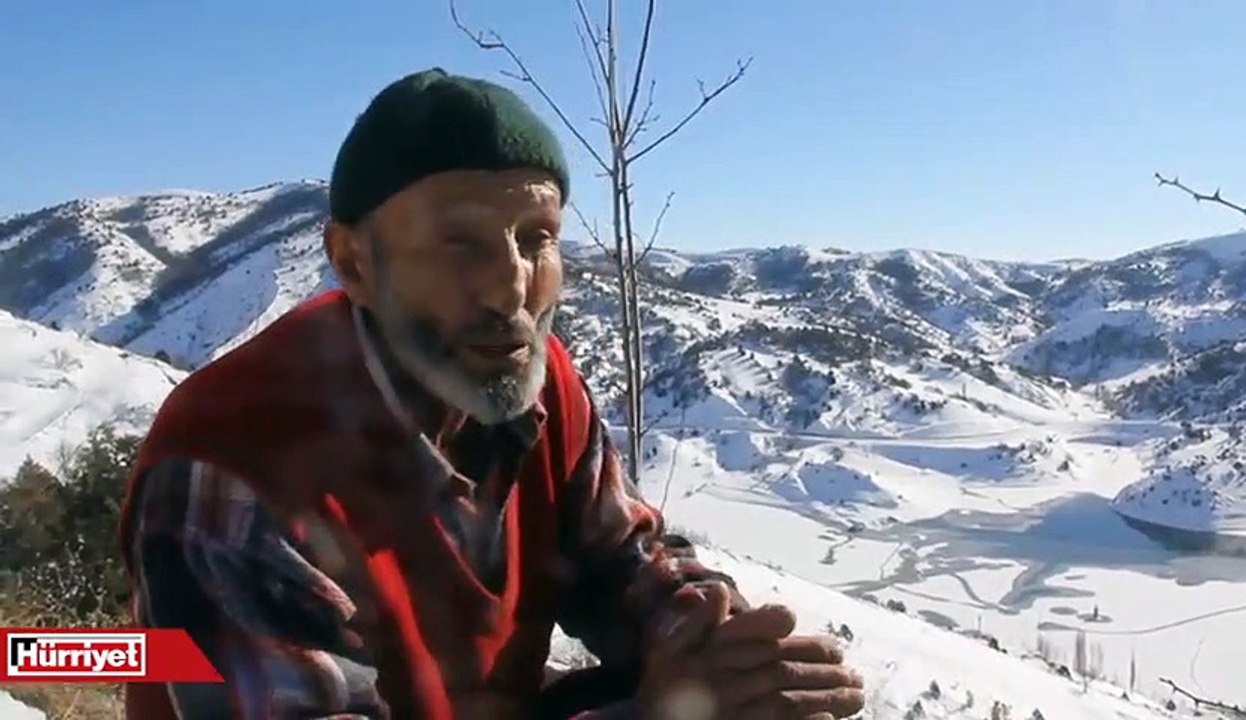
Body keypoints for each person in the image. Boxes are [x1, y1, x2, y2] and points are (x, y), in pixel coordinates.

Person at [116, 68, 865, 720]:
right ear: (354, 263)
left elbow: (621, 558)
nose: (512, 287)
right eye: (460, 241)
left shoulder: (535, 382)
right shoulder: (233, 465)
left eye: (537, 238)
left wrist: (712, 643)